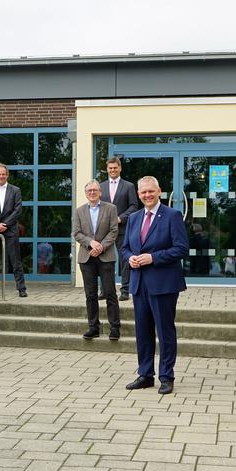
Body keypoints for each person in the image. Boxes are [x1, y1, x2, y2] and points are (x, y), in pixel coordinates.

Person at [121, 176, 188, 394]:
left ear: (159, 191)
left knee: (165, 331)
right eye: (143, 193)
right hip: (139, 284)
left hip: (164, 284)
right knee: (143, 332)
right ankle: (145, 374)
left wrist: (153, 258)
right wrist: (130, 257)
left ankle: (166, 376)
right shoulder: (133, 218)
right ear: (138, 195)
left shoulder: (172, 215)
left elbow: (181, 248)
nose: (147, 195)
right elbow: (124, 248)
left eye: (151, 191)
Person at [72, 180, 120, 340]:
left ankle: (115, 328)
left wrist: (101, 246)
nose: (92, 193)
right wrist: (91, 243)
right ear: (86, 194)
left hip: (106, 257)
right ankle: (93, 327)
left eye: (94, 190)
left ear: (100, 192)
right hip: (86, 258)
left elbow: (114, 231)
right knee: (90, 294)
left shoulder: (111, 208)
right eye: (89, 191)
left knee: (110, 293)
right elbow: (76, 233)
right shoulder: (79, 211)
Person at [0, 163, 27, 298]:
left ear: (7, 175)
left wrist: (5, 224)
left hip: (11, 229)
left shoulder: (15, 190)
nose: (1, 176)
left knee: (15, 261)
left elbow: (18, 210)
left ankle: (21, 289)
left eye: (3, 174)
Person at [100, 157, 139, 301]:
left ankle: (125, 290)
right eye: (110, 168)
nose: (112, 170)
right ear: (107, 169)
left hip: (122, 228)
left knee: (125, 260)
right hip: (104, 230)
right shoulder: (101, 186)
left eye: (115, 168)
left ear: (120, 168)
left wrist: (120, 218)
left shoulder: (128, 186)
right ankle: (104, 290)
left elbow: (134, 206)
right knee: (104, 260)